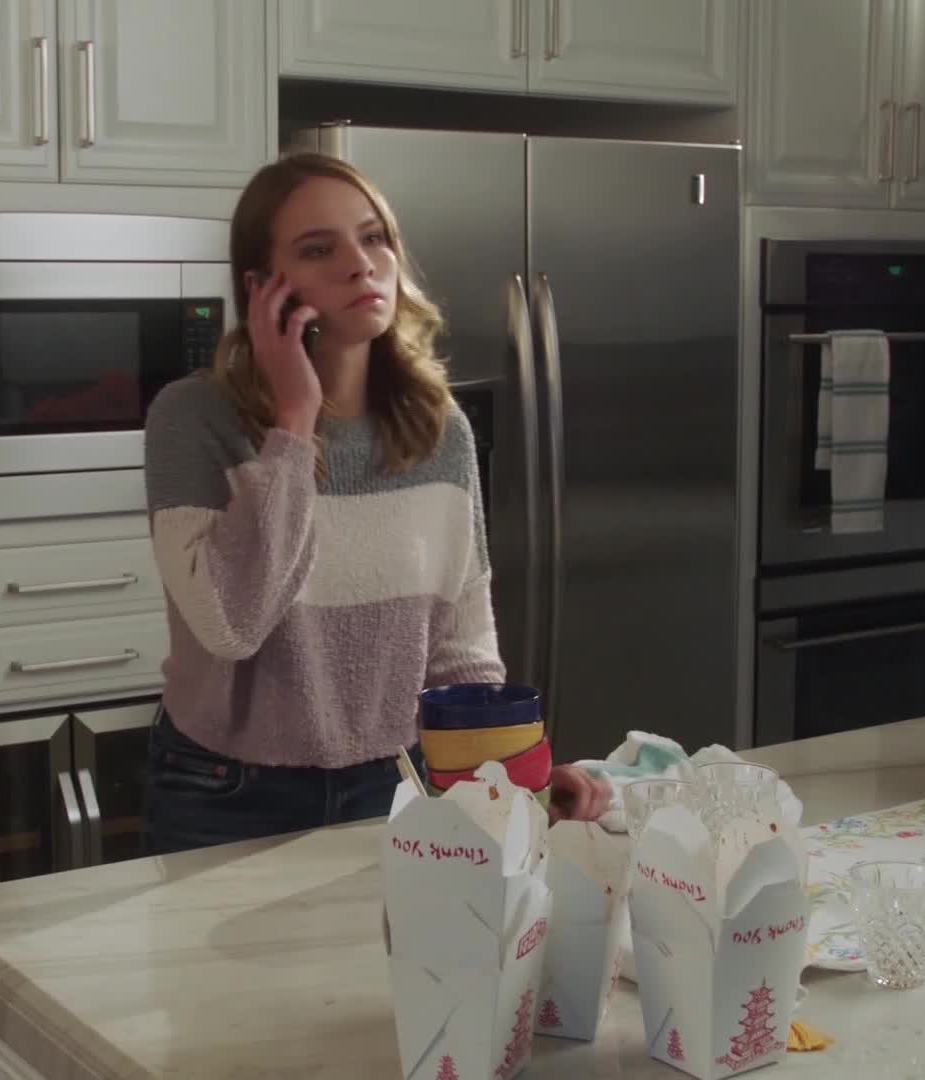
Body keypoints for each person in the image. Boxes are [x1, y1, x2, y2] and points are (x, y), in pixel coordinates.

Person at [140, 152, 613, 855]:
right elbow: (231, 623)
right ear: (264, 286)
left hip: (398, 785)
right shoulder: (194, 419)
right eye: (318, 249)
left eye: (374, 237)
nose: (360, 264)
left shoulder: (436, 427)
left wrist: (521, 785)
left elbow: (460, 649)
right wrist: (296, 422)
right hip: (223, 792)